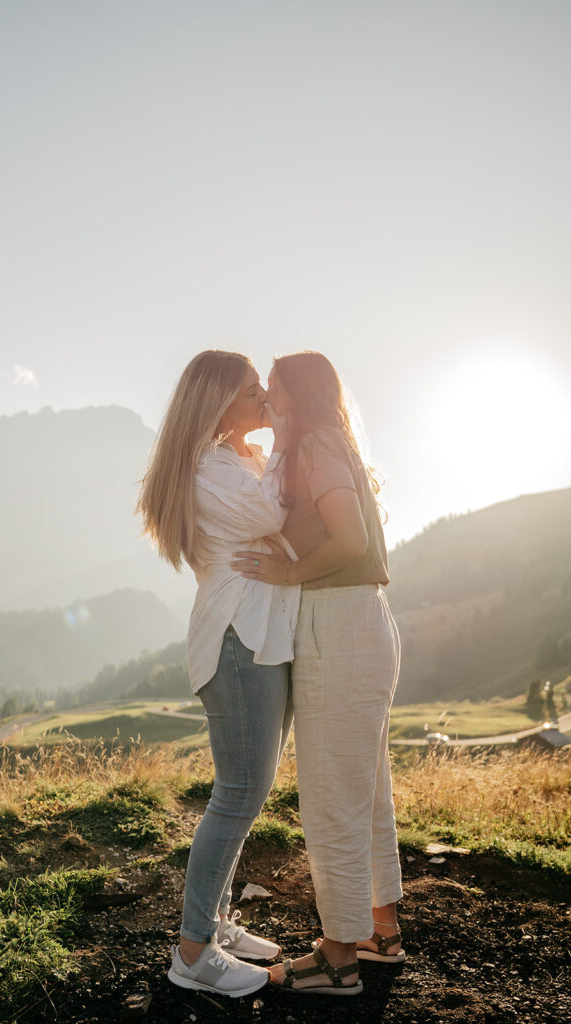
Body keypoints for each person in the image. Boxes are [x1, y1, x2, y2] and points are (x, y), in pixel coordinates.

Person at [232, 351, 404, 997]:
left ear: (294, 394)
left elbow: (351, 539)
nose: (265, 397)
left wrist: (288, 573)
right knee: (365, 791)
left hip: (337, 624)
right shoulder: (325, 443)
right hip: (356, 621)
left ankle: (337, 958)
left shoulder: (316, 445)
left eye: (271, 387)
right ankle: (377, 933)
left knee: (333, 795)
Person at [137, 349, 301, 998]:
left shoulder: (235, 461)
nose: (264, 399)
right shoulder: (210, 466)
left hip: (258, 638)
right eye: (251, 391)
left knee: (245, 793)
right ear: (216, 405)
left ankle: (215, 923)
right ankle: (193, 953)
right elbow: (274, 517)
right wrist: (289, 439)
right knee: (238, 793)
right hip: (238, 640)